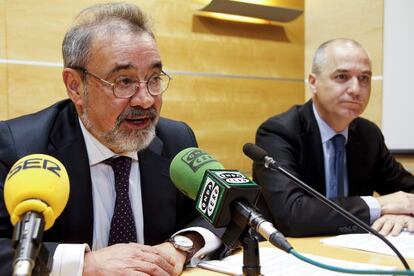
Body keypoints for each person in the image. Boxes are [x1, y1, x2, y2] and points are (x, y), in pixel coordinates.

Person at [0, 3, 223, 275]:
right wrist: (83, 264)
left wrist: (182, 245)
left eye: (154, 79)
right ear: (75, 86)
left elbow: (227, 213)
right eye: (124, 81)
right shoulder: (19, 147)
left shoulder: (176, 140)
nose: (146, 99)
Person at [253, 38, 414, 238]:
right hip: (294, 252)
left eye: (364, 78)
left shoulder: (368, 135)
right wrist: (379, 205)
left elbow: (408, 192)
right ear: (314, 82)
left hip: (356, 249)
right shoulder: (279, 132)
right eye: (342, 76)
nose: (355, 89)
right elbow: (293, 215)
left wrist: (406, 215)